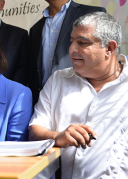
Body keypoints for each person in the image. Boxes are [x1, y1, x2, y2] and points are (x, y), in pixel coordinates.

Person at [29, 12, 128, 178]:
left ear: (109, 49)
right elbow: (35, 130)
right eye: (71, 41)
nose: (72, 49)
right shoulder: (58, 81)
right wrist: (58, 137)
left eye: (82, 42)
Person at [28, 0, 107, 106]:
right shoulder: (35, 29)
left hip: (84, 99)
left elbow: (105, 58)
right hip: (45, 103)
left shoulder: (93, 15)